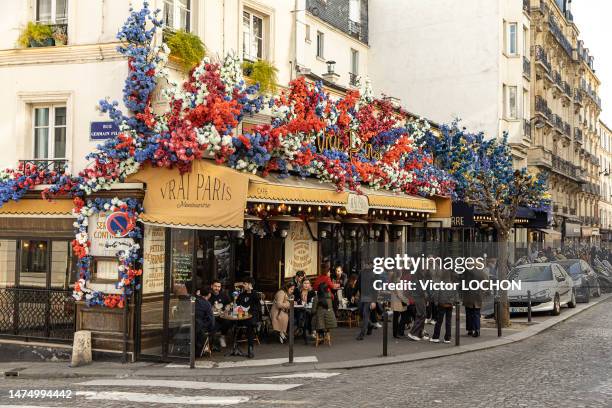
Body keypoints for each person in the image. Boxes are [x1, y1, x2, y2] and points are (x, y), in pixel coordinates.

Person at [430, 269, 458, 344]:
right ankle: (447, 338)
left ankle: (436, 337)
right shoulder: (452, 284)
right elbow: (456, 295)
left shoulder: (440, 283)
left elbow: (436, 294)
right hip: (450, 305)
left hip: (441, 304)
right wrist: (454, 302)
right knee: (448, 322)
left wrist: (436, 303)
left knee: (439, 321)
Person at [235, 278, 259, 358]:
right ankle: (235, 346)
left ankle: (250, 348)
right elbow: (237, 304)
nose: (243, 285)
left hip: (251, 317)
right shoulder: (242, 294)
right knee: (234, 322)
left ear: (249, 285)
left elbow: (258, 306)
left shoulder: (255, 294)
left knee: (250, 325)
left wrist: (251, 291)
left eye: (245, 284)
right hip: (241, 316)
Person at [463, 267, 487, 338]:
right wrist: (483, 291)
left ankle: (471, 329)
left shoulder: (468, 272)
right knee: (476, 313)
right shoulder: (481, 273)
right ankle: (476, 329)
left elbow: (464, 284)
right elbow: (486, 283)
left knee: (469, 313)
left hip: (469, 296)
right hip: (478, 296)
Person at [194, 286, 215, 356]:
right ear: (209, 294)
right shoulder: (207, 304)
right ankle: (209, 347)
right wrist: (211, 330)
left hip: (192, 325)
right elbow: (211, 320)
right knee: (213, 327)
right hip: (200, 328)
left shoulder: (194, 301)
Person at [210, 280, 231, 348]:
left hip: (221, 316)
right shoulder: (209, 295)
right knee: (214, 325)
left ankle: (222, 337)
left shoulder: (223, 295)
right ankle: (211, 342)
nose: (217, 288)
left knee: (228, 321)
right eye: (215, 286)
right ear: (212, 286)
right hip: (211, 317)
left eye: (219, 286)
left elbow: (229, 304)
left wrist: (227, 309)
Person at [390, 273, 409, 338]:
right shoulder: (398, 282)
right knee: (403, 317)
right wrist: (406, 301)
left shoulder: (393, 282)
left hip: (395, 301)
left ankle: (396, 333)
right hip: (399, 302)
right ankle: (399, 332)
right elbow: (400, 294)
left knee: (396, 317)